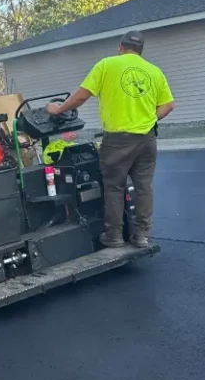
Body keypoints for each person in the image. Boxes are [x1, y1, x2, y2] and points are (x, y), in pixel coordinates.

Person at [47, 31, 176, 249]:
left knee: (114, 187)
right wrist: (148, 119)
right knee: (144, 187)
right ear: (140, 51)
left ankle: (114, 236)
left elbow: (81, 96)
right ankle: (142, 235)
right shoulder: (154, 71)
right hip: (147, 139)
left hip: (117, 140)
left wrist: (58, 109)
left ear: (120, 47)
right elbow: (169, 105)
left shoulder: (107, 65)